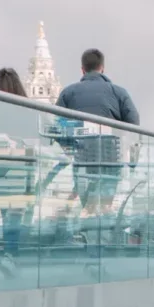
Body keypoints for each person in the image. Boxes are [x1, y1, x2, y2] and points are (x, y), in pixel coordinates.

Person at [56, 49, 138, 217]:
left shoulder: (68, 93)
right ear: (102, 68)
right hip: (111, 156)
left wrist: (69, 147)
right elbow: (134, 123)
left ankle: (90, 220)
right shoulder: (118, 92)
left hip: (81, 156)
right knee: (105, 205)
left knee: (88, 206)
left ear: (82, 70)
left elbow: (55, 125)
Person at [0, 68, 38, 278]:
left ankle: (9, 254)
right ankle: (11, 255)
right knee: (16, 216)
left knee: (5, 215)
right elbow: (37, 143)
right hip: (21, 169)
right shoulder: (28, 110)